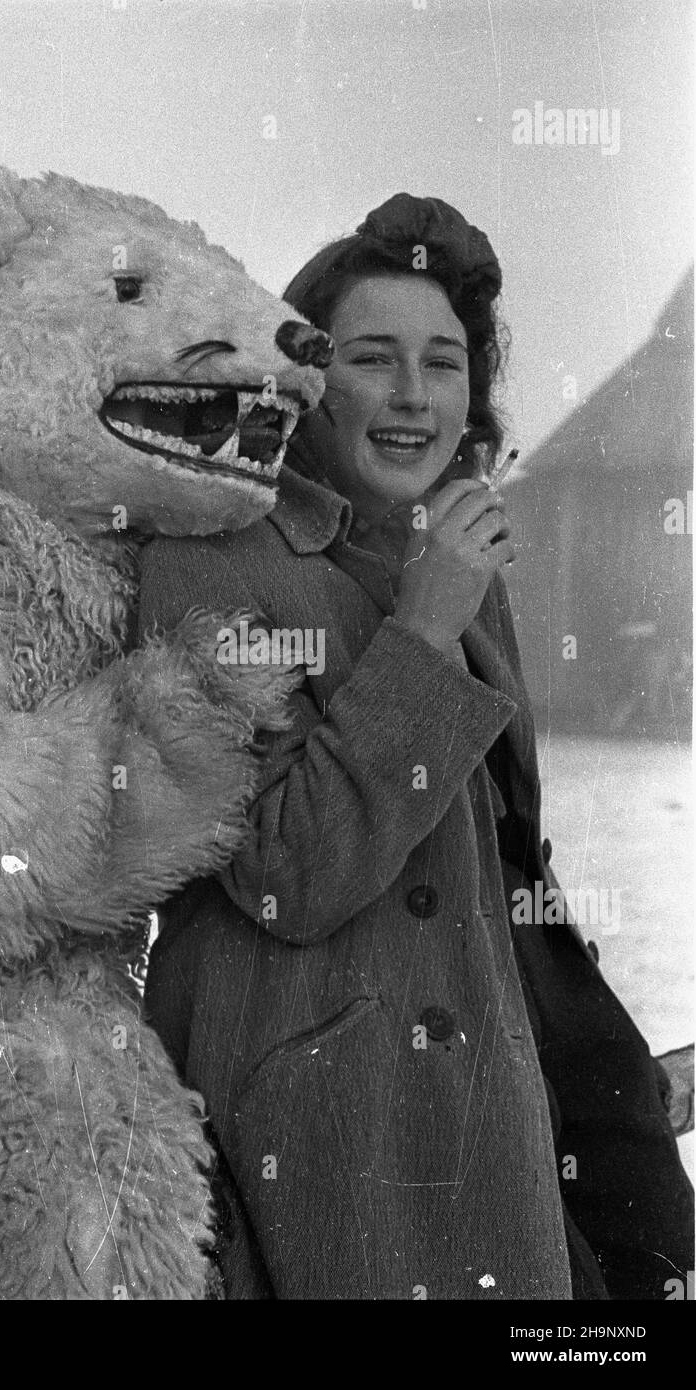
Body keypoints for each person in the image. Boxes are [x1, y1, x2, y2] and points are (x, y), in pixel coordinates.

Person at [136, 194, 693, 1300]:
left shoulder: (460, 565)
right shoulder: (211, 555)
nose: (411, 395)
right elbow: (281, 873)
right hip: (333, 1132)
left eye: (443, 362)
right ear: (306, 376)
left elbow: (502, 865)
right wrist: (422, 630)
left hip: (502, 1096)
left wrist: (593, 1065)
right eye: (372, 356)